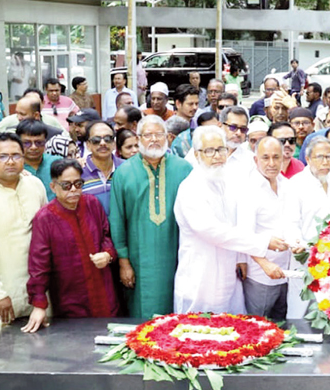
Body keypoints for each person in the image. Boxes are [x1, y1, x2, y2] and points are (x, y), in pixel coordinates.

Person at [173, 127, 281, 315]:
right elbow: (213, 231)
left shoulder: (226, 181)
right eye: (210, 151)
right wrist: (262, 242)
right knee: (197, 335)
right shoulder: (190, 188)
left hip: (228, 277)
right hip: (200, 278)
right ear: (197, 155)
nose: (217, 156)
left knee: (233, 332)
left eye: (221, 149)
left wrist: (241, 257)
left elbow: (237, 223)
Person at [109, 115, 193, 319]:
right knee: (143, 320)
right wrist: (123, 262)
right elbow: (117, 220)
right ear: (138, 139)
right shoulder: (124, 173)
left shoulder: (185, 169)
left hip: (179, 257)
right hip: (138, 262)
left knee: (178, 315)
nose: (154, 140)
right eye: (148, 135)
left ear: (168, 138)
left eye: (159, 134)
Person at [23, 159, 119, 333]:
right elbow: (39, 265)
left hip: (104, 291)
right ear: (53, 187)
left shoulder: (92, 204)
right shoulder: (45, 218)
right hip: (70, 298)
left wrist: (107, 254)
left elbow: (107, 235)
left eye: (78, 184)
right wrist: (38, 304)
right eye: (66, 185)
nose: (74, 190)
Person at [0, 133, 47, 341]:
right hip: (2, 292)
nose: (10, 161)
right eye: (3, 156)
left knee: (42, 350)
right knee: (3, 356)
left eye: (16, 155)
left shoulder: (35, 185)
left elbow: (47, 234)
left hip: (37, 290)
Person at [239, 137, 299, 320]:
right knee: (259, 326)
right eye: (265, 158)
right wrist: (265, 264)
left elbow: (292, 222)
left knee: (282, 325)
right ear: (256, 160)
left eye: (276, 157)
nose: (271, 163)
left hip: (286, 271)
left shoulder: (287, 185)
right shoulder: (248, 190)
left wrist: (296, 242)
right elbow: (244, 235)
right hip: (261, 275)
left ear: (283, 158)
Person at [285, 137, 330, 319]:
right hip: (304, 256)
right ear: (308, 159)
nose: (325, 162)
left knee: (329, 308)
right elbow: (290, 222)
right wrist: (298, 244)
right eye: (320, 157)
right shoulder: (296, 184)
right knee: (299, 309)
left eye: (329, 157)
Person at [81, 121, 124, 216]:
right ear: (88, 145)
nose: (103, 143)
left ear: (114, 143)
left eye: (108, 139)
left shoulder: (126, 169)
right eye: (96, 140)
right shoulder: (79, 172)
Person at [16, 119, 61, 201]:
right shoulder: (12, 167)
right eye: (27, 143)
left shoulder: (58, 163)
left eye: (39, 142)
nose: (33, 147)